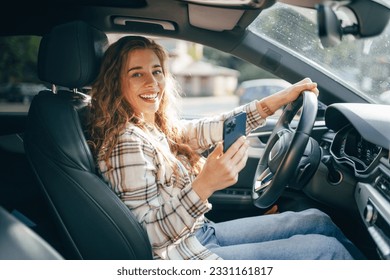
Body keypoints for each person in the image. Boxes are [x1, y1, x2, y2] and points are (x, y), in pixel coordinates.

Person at [87, 36, 364, 260]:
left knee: (317, 220)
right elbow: (147, 237)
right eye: (137, 74)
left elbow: (218, 126)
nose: (152, 83)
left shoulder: (154, 128)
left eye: (156, 71)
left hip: (198, 234)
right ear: (116, 83)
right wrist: (204, 185)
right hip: (182, 257)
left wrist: (279, 99)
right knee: (327, 251)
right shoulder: (126, 143)